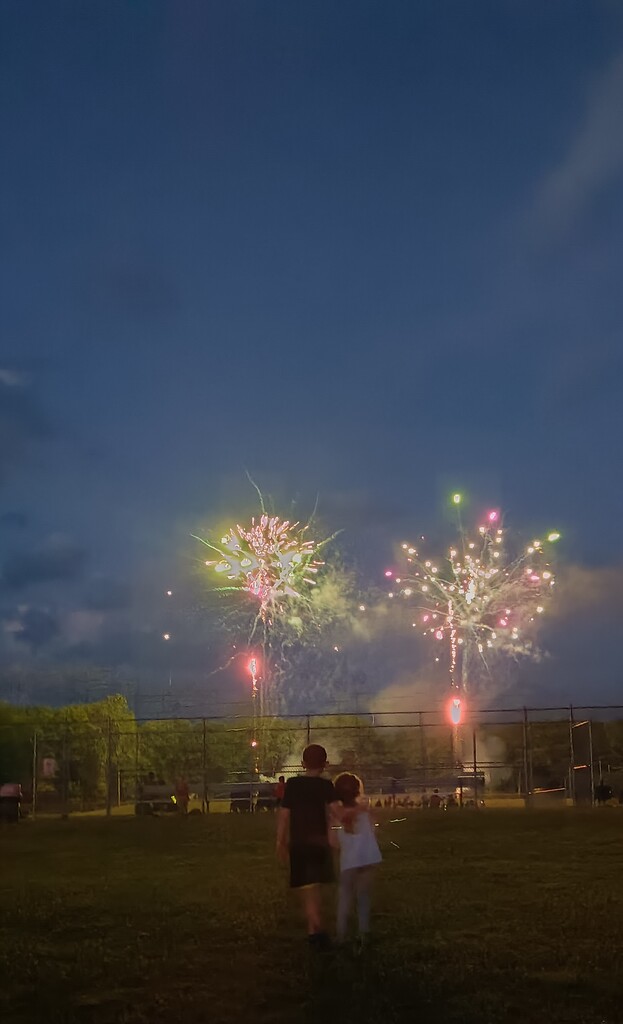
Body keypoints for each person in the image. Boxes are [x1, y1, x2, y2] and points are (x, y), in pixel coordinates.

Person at [276, 744, 339, 949]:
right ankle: (316, 931)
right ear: (325, 764)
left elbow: (285, 815)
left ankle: (316, 930)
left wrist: (280, 841)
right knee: (315, 887)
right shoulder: (327, 786)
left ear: (303, 764)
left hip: (300, 844)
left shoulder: (293, 785)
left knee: (308, 889)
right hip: (319, 844)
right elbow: (334, 814)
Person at [333, 773, 382, 947]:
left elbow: (334, 841)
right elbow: (375, 830)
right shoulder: (365, 810)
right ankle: (364, 932)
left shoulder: (337, 814)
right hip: (369, 856)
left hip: (349, 860)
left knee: (345, 896)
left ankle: (341, 935)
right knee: (364, 897)